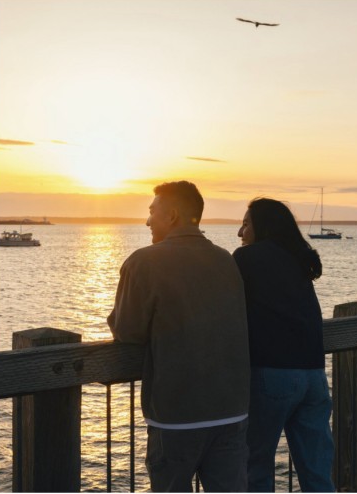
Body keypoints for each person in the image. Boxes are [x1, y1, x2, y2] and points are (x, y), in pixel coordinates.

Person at [107, 181, 250, 492]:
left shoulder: (143, 262)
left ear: (171, 216)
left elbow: (128, 332)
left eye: (152, 212)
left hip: (176, 417)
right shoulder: (226, 260)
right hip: (231, 411)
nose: (147, 221)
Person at [234, 197, 335, 492]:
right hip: (314, 375)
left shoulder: (247, 258)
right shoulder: (298, 258)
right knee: (317, 472)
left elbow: (224, 306)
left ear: (261, 226)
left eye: (245, 224)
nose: (240, 233)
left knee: (255, 466)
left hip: (271, 373)